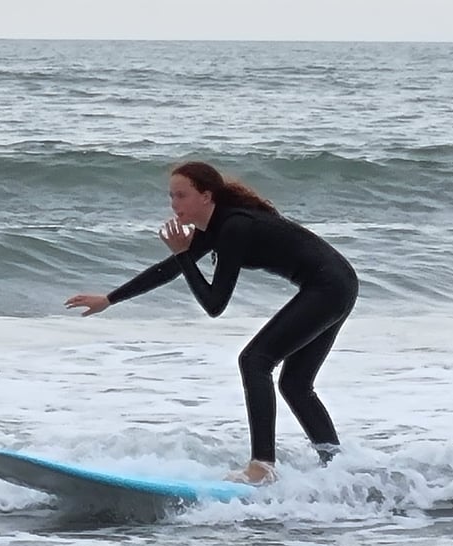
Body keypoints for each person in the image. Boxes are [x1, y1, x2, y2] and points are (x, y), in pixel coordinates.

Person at [65, 161, 359, 485]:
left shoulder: (234, 227)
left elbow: (215, 304)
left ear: (206, 196)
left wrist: (182, 255)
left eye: (182, 195)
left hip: (330, 287)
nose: (174, 205)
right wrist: (109, 299)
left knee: (255, 360)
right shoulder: (217, 227)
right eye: (171, 196)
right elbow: (170, 270)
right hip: (337, 284)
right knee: (294, 384)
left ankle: (261, 467)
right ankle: (338, 470)